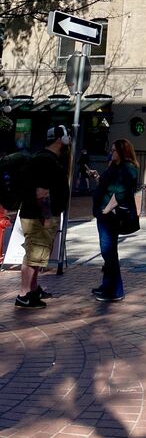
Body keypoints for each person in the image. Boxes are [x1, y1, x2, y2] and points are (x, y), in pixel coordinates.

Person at [15, 125, 70, 309]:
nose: (68, 139)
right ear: (59, 139)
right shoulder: (47, 161)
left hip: (38, 215)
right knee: (33, 256)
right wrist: (46, 217)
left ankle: (33, 289)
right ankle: (24, 295)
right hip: (39, 217)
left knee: (35, 256)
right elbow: (41, 193)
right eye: (67, 136)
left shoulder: (45, 158)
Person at [92, 138, 139, 302]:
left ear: (122, 151)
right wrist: (98, 177)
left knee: (108, 251)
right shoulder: (114, 167)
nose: (110, 153)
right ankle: (108, 286)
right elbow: (107, 186)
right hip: (103, 214)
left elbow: (120, 192)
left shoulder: (128, 168)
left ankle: (115, 290)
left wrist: (107, 209)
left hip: (111, 216)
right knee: (108, 252)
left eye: (114, 150)